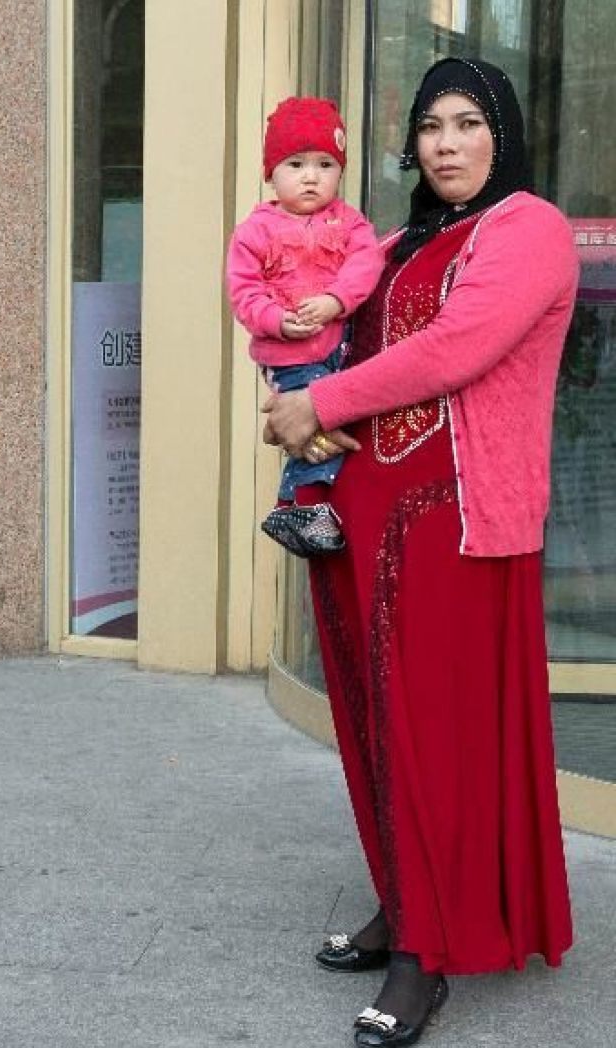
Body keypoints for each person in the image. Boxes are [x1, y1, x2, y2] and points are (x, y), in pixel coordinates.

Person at [264, 57, 575, 1048]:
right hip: (361, 513)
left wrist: (319, 405)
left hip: (454, 520)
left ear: (501, 135)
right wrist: (287, 405)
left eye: (465, 124)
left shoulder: (526, 228)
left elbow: (457, 346)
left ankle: (425, 958)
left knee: (432, 737)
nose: (444, 145)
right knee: (371, 723)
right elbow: (315, 334)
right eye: (428, 127)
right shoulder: (394, 240)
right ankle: (404, 906)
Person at [227, 96, 384, 557]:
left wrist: (337, 300)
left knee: (328, 428)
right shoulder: (256, 231)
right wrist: (277, 320)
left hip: (340, 346)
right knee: (314, 428)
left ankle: (298, 506)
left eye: (325, 164)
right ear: (271, 173)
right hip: (290, 355)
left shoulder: (349, 223)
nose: (311, 176)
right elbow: (244, 293)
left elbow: (366, 263)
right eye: (295, 164)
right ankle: (298, 508)